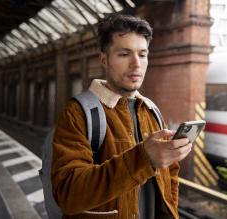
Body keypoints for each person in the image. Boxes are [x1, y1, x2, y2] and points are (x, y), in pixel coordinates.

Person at [51, 14, 193, 219]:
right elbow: (68, 194)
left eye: (142, 54)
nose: (136, 64)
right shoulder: (78, 113)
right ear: (104, 59)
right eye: (124, 54)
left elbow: (170, 177)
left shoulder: (151, 110)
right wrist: (144, 158)